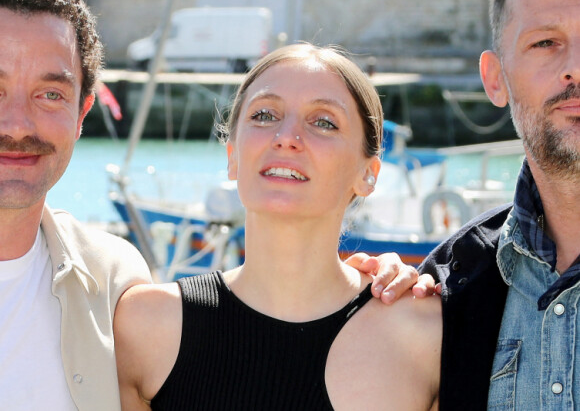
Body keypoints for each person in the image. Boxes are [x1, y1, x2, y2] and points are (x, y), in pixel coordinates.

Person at [114, 43, 442, 410]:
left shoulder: (426, 335)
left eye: (323, 122)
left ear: (368, 174)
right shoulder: (143, 328)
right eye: (265, 115)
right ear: (233, 155)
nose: (286, 137)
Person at [367, 0, 580, 410]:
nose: (576, 67)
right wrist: (358, 298)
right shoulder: (448, 284)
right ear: (496, 78)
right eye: (545, 43)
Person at [0, 0, 152, 411]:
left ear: (82, 114)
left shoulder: (115, 283)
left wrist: (357, 286)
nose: (18, 124)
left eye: (50, 95)